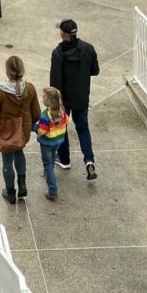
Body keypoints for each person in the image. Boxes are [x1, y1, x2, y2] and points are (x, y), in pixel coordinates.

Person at [0, 55, 41, 205]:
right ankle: (22, 184)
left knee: (7, 160)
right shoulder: (29, 88)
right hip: (23, 129)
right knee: (19, 152)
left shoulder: (0, 91)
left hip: (7, 131)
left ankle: (10, 193)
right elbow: (36, 113)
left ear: (7, 71)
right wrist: (32, 123)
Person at [49, 18, 99, 180]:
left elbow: (55, 84)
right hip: (82, 97)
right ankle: (89, 160)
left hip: (65, 101)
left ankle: (64, 159)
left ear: (63, 33)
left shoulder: (58, 54)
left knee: (62, 128)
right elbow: (95, 71)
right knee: (83, 128)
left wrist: (56, 104)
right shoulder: (88, 49)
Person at [35, 86, 69, 202]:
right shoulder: (62, 110)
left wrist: (34, 127)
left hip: (46, 143)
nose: (42, 98)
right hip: (58, 140)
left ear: (49, 101)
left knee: (47, 164)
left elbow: (42, 131)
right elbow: (67, 121)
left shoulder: (45, 115)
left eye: (43, 96)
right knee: (53, 156)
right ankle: (49, 171)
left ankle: (52, 190)